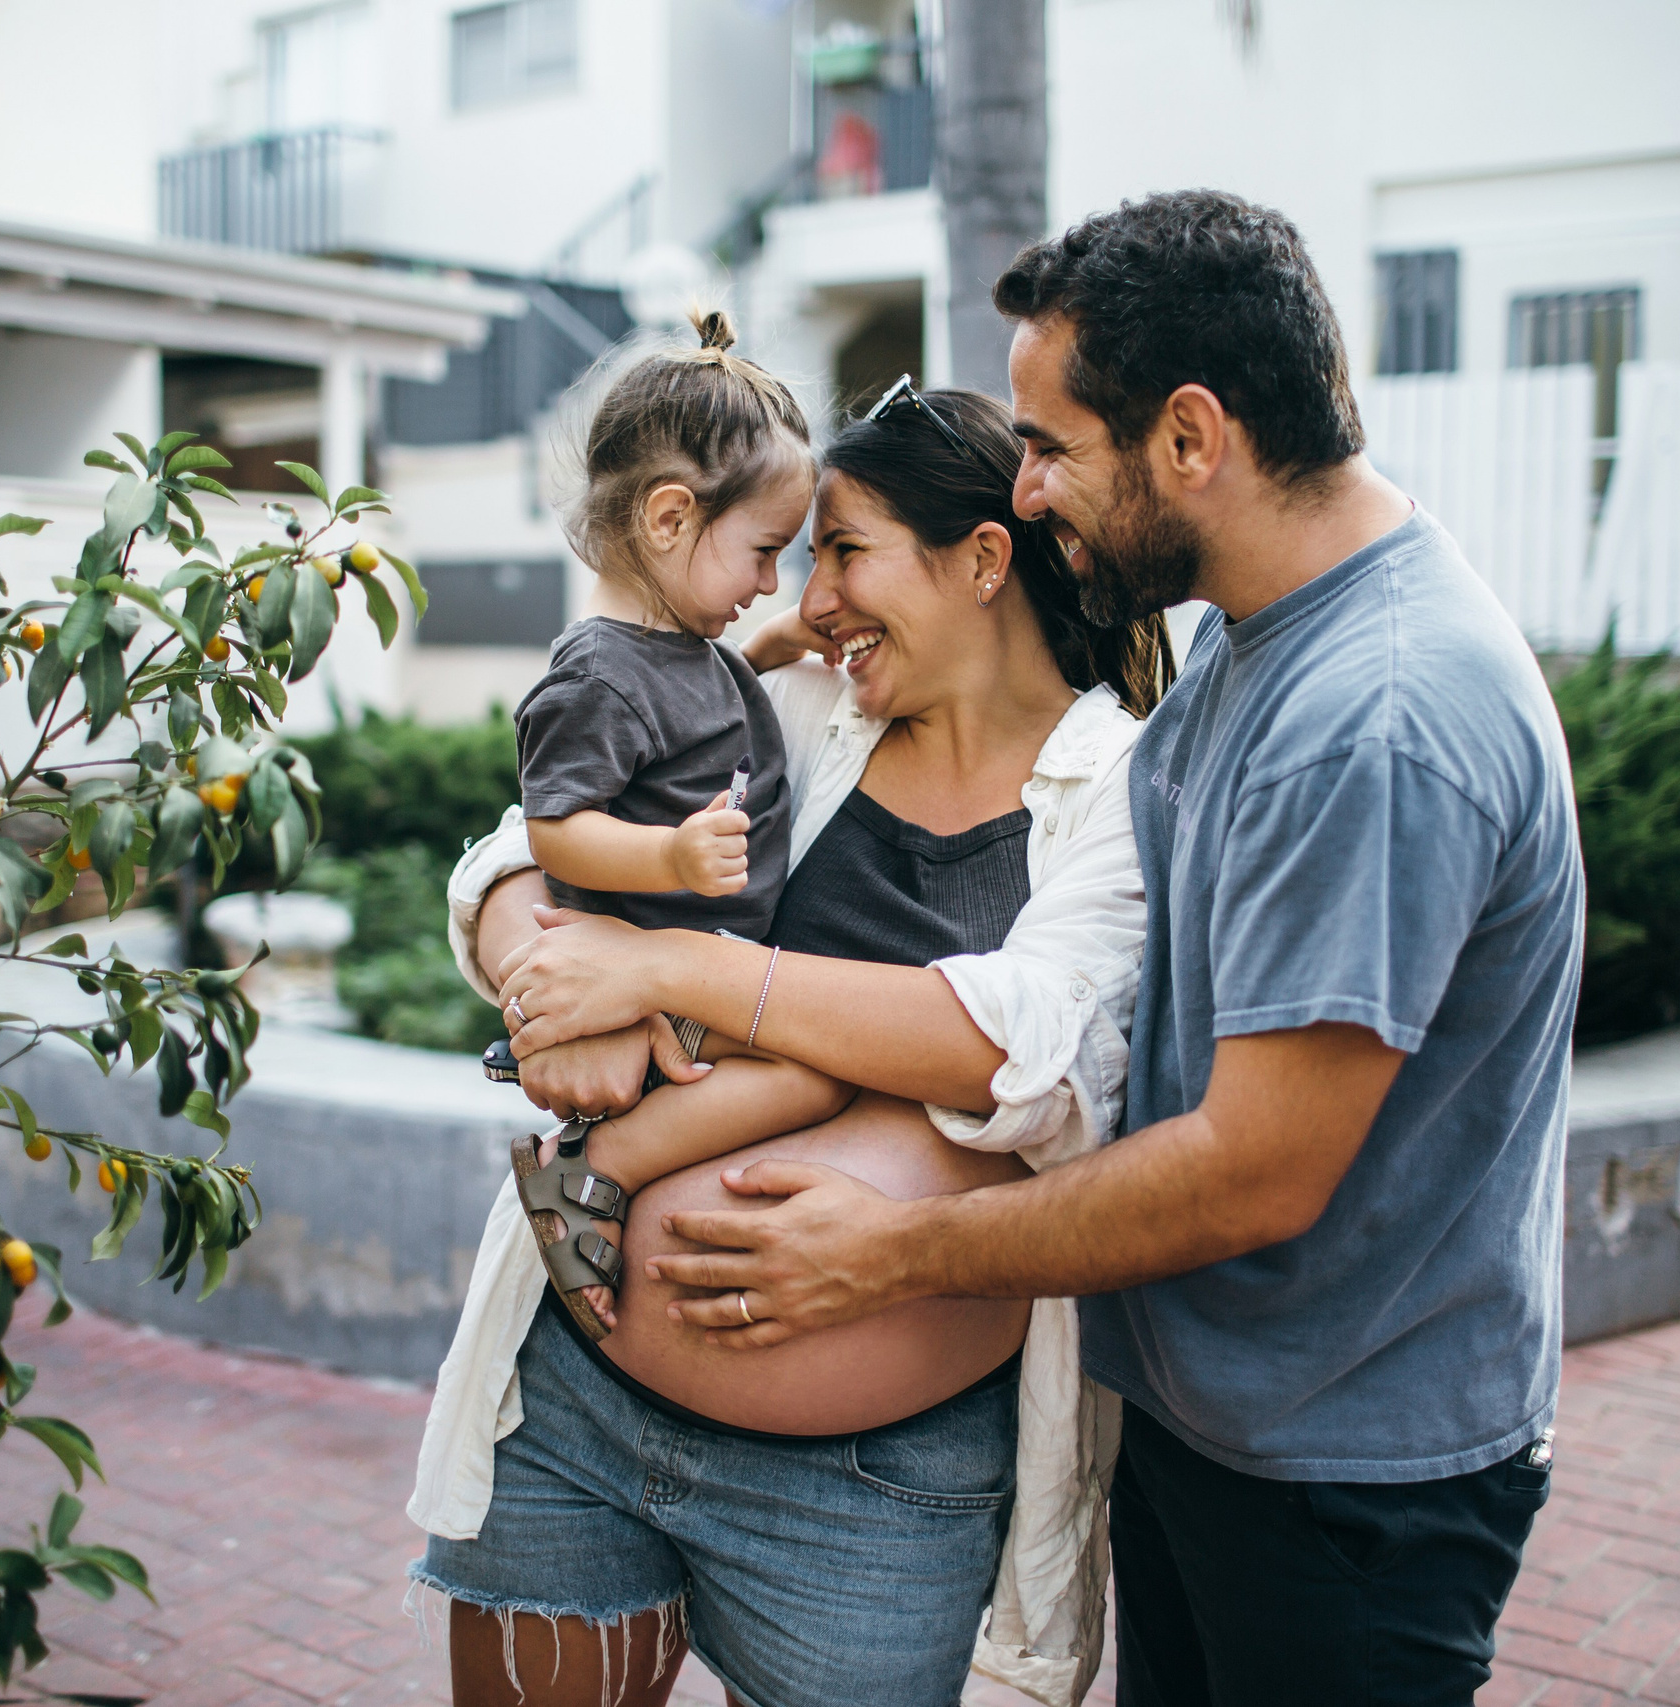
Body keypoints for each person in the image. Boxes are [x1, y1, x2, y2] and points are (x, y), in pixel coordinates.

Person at [515, 192, 1586, 1705]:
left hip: (1346, 1474)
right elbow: (563, 813)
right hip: (1210, 1427)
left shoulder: (1378, 717)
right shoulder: (1253, 644)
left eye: (1050, 446)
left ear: (1191, 437)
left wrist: (887, 1251)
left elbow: (1254, 1167)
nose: (1025, 492)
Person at [410, 380, 1173, 1707]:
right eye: (799, 555)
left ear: (983, 560)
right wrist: (553, 986)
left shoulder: (1122, 784)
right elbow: (524, 840)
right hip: (578, 1406)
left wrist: (667, 967)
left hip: (871, 1494)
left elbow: (1034, 1046)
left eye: (844, 551)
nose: (809, 600)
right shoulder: (810, 713)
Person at [504, 309, 850, 1337]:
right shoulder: (597, 674)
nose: (770, 582)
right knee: (814, 1071)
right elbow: (555, 825)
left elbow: (699, 706)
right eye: (763, 552)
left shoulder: (675, 649)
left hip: (694, 968)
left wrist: (775, 645)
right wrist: (669, 854)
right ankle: (590, 1173)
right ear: (668, 519)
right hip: (658, 969)